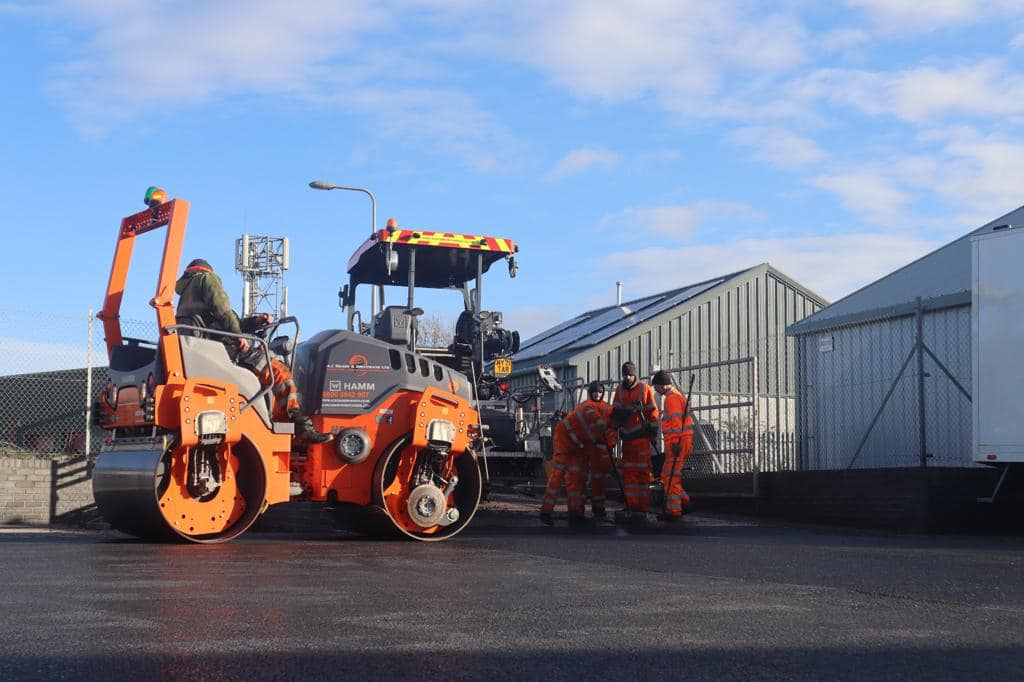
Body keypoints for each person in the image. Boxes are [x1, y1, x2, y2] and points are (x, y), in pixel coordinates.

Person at [610, 361, 659, 524]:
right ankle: (632, 506)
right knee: (629, 475)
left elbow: (653, 413)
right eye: (625, 375)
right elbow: (615, 413)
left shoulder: (645, 389)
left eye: (630, 375)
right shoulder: (619, 391)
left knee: (643, 474)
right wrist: (626, 413)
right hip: (627, 439)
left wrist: (653, 433)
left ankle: (642, 508)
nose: (627, 378)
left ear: (634, 374)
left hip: (642, 438)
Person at [652, 370, 694, 522]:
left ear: (661, 385)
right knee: (668, 475)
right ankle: (684, 502)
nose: (655, 389)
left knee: (671, 477)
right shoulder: (676, 396)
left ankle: (674, 511)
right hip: (680, 441)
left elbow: (677, 424)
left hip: (677, 443)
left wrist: (676, 443)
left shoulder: (672, 398)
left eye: (655, 386)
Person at [579, 381, 615, 519]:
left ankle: (599, 507)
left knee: (597, 479)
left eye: (600, 392)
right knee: (581, 479)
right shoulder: (584, 407)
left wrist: (610, 445)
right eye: (595, 391)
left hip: (600, 449)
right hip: (586, 447)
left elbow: (612, 429)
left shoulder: (607, 408)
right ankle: (578, 507)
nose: (597, 394)